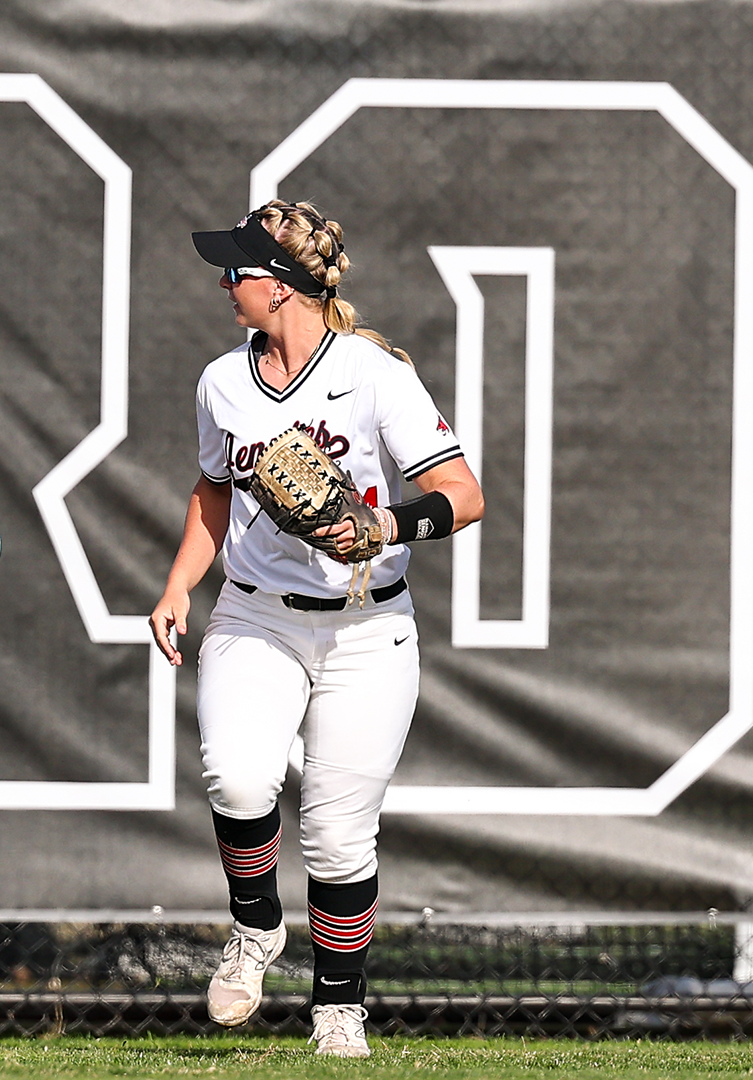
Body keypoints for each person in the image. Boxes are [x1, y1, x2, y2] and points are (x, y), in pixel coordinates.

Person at [148, 200, 484, 1057]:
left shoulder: (373, 375)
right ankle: (256, 928)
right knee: (236, 777)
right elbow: (214, 490)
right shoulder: (222, 380)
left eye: (240, 271)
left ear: (284, 285)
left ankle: (339, 1006)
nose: (227, 284)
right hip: (256, 612)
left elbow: (465, 495)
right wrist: (180, 583)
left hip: (369, 627)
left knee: (337, 837)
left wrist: (389, 527)